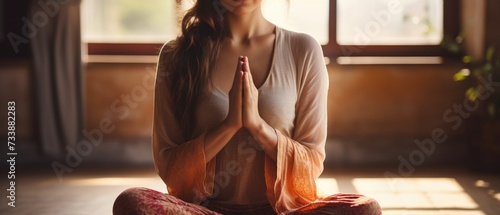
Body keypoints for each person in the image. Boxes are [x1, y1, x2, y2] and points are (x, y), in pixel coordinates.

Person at [113, 0, 381, 214]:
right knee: (131, 202)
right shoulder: (176, 55)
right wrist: (229, 125)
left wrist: (258, 127)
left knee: (365, 209)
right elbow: (170, 168)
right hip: (203, 211)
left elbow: (311, 164)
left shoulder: (303, 49)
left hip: (282, 210)